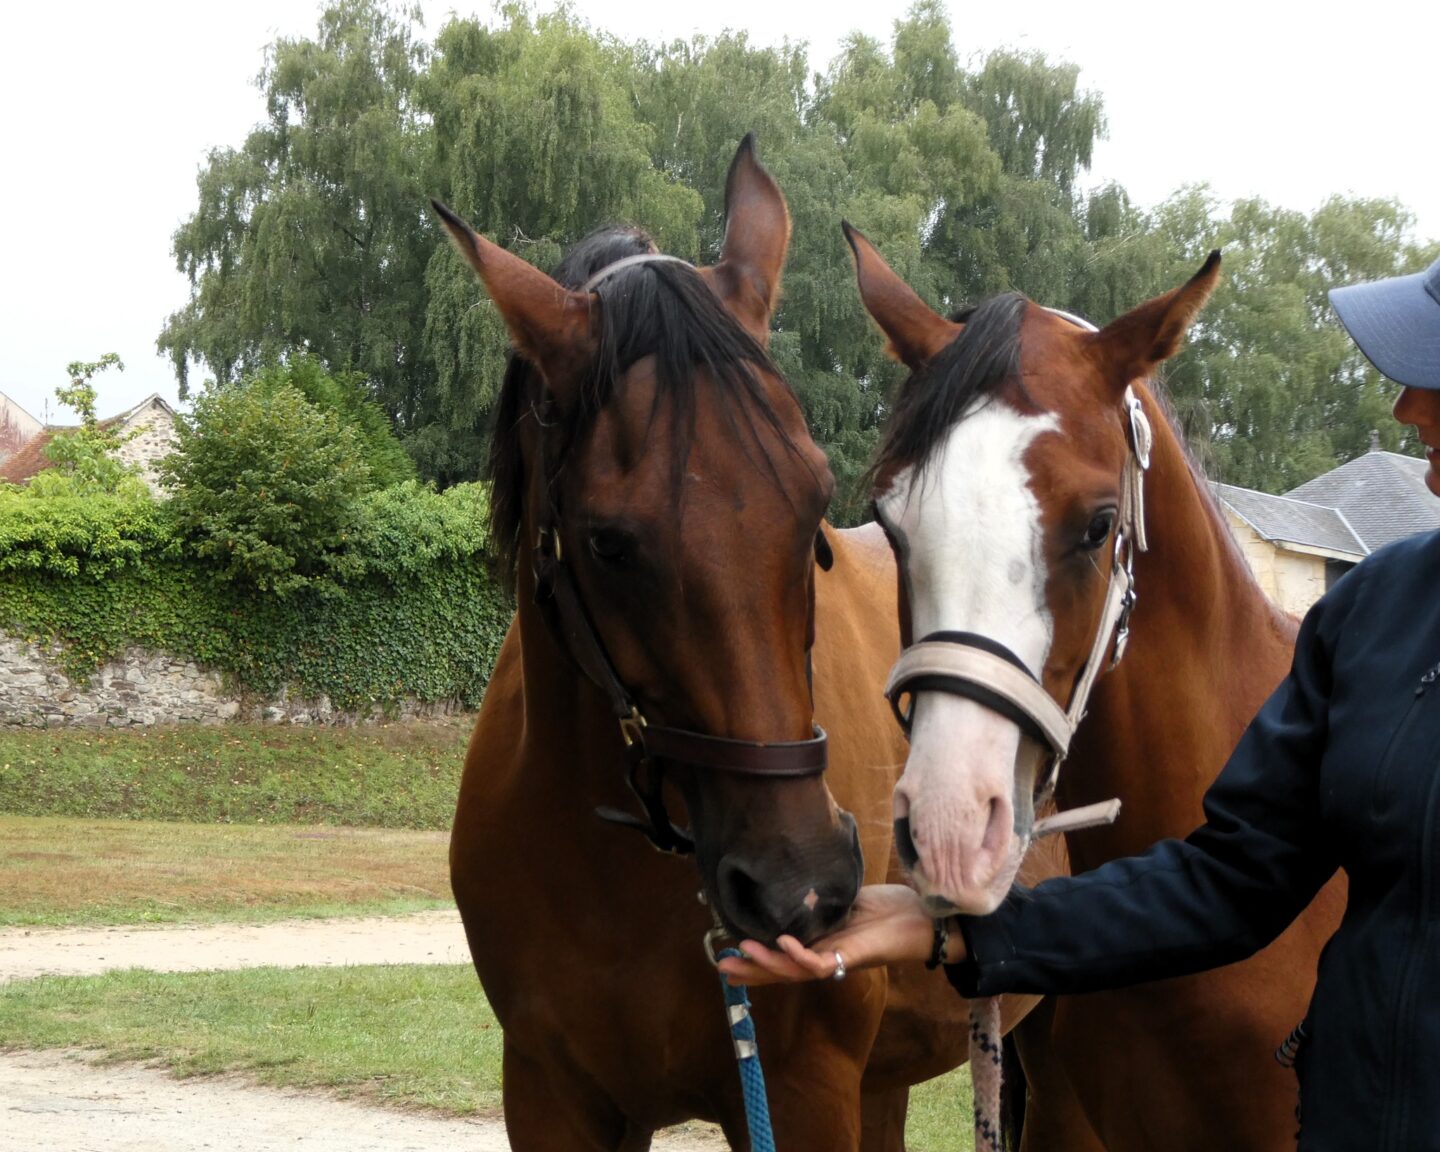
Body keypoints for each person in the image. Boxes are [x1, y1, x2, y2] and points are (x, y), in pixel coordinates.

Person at [719, 255, 1440, 1150]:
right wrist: (953, 937)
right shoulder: (1374, 618)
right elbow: (1229, 883)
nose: (1410, 408)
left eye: (1436, 379)